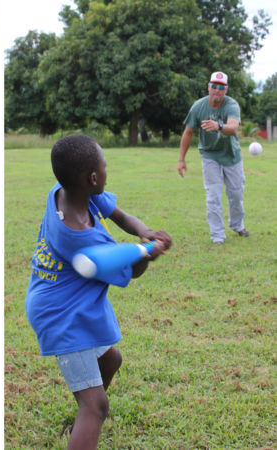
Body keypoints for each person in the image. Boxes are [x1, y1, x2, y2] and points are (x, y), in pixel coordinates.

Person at [25, 135, 172, 448]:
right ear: (92, 178)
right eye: (105, 166)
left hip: (69, 300)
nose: (107, 170)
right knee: (97, 406)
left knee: (110, 361)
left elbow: (120, 216)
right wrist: (148, 254)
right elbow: (132, 271)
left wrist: (144, 235)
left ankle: (84, 412)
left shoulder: (69, 192)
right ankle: (88, 410)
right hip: (61, 314)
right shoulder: (80, 238)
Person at [177, 71, 248, 244]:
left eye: (221, 87)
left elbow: (232, 128)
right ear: (209, 87)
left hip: (232, 156)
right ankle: (217, 235)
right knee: (213, 195)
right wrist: (181, 159)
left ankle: (237, 225)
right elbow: (188, 132)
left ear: (226, 89)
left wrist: (218, 126)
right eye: (214, 86)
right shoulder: (198, 107)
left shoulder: (231, 105)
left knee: (236, 194)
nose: (217, 90)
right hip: (210, 156)